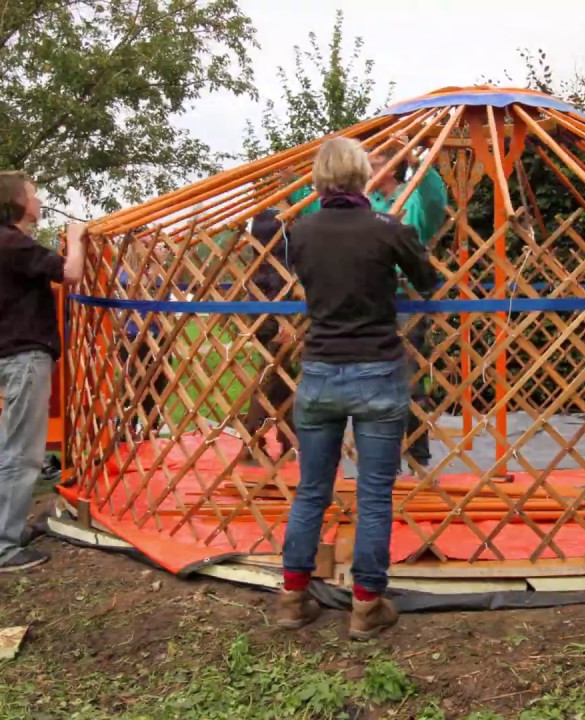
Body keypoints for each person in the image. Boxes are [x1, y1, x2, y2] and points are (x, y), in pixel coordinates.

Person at [277, 137, 437, 639]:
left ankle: (291, 598)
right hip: (377, 372)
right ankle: (366, 606)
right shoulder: (389, 228)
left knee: (310, 491)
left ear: (320, 178)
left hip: (320, 372)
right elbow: (427, 281)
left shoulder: (299, 233)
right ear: (363, 174)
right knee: (373, 495)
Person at [287, 135, 447, 471]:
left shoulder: (410, 199)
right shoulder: (357, 208)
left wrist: (418, 162)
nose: (370, 163)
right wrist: (306, 168)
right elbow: (306, 203)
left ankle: (417, 456)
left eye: (375, 158)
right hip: (358, 304)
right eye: (366, 159)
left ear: (391, 165)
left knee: (412, 376)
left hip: (405, 299)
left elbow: (435, 202)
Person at [0, 171, 85, 576]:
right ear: (18, 203)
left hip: (18, 357)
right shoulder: (11, 243)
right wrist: (76, 238)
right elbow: (71, 273)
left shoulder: (5, 244)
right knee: (20, 454)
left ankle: (7, 534)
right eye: (34, 195)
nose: (39, 201)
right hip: (23, 358)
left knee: (18, 450)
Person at [240, 208, 296, 463]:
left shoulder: (259, 257)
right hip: (276, 322)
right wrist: (285, 321)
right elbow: (279, 287)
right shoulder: (278, 257)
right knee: (271, 381)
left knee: (283, 381)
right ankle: (250, 439)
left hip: (262, 319)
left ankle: (288, 442)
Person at [118, 232, 171, 440]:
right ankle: (125, 435)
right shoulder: (124, 274)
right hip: (133, 338)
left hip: (158, 338)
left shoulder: (160, 273)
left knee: (156, 390)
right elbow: (143, 291)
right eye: (151, 244)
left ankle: (149, 435)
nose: (157, 248)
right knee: (133, 389)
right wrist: (158, 263)